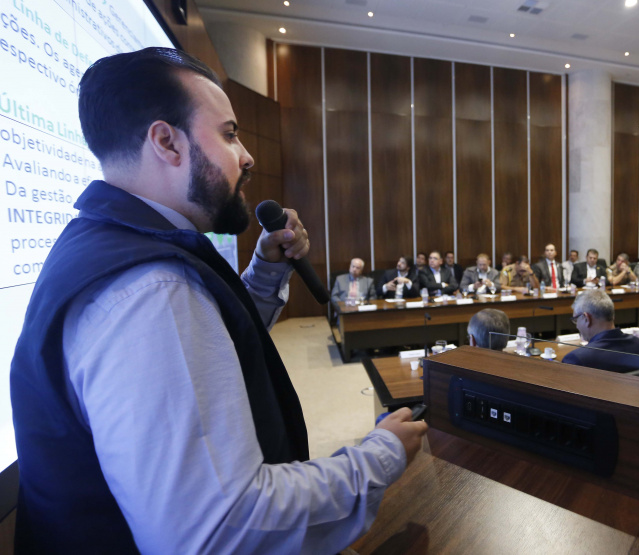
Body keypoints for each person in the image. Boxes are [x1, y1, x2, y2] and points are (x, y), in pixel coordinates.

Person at [9, 48, 427, 553]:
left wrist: (268, 269)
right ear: (167, 142)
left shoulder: (111, 243)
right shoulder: (151, 290)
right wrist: (378, 458)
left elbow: (210, 344)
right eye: (229, 134)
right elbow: (221, 529)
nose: (247, 156)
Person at [562, 289, 639, 372]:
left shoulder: (576, 360)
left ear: (586, 319)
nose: (577, 326)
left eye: (576, 319)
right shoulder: (638, 345)